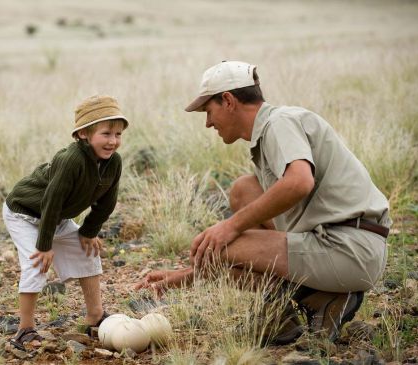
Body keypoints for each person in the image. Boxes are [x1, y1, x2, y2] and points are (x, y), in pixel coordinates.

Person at [135, 61, 391, 343]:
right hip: (343, 243)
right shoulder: (272, 128)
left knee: (219, 245)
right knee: (244, 190)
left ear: (229, 101)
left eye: (209, 111)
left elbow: (299, 182)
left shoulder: (279, 123)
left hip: (351, 249)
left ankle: (297, 306)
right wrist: (183, 276)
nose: (208, 122)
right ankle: (315, 302)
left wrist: (231, 226)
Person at [3, 95, 128, 349]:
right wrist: (45, 244)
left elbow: (107, 203)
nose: (113, 141)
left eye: (117, 134)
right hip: (24, 213)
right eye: (106, 133)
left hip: (56, 216)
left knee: (87, 252)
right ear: (83, 133)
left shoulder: (113, 162)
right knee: (36, 263)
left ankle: (95, 316)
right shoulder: (71, 159)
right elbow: (51, 201)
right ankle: (24, 330)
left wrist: (89, 231)